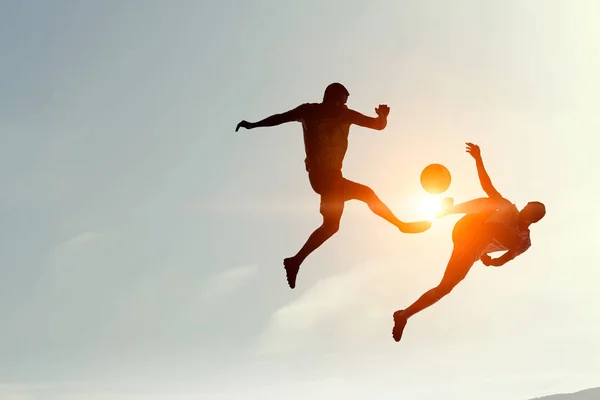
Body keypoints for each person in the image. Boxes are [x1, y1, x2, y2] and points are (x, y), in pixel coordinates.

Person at [235, 82, 432, 289]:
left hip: (328, 179)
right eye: (343, 102)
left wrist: (383, 117)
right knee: (364, 196)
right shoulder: (313, 111)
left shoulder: (335, 113)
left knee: (333, 225)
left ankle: (295, 261)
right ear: (333, 98)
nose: (344, 106)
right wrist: (254, 124)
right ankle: (401, 226)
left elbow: (377, 125)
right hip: (325, 178)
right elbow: (279, 118)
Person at [391, 142, 546, 342]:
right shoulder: (510, 210)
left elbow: (502, 260)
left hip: (469, 251)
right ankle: (446, 210)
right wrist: (478, 159)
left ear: (532, 217)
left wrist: (488, 259)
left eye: (526, 210)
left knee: (444, 288)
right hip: (467, 229)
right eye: (524, 207)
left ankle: (404, 315)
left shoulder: (523, 242)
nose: (521, 209)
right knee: (495, 202)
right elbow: (488, 187)